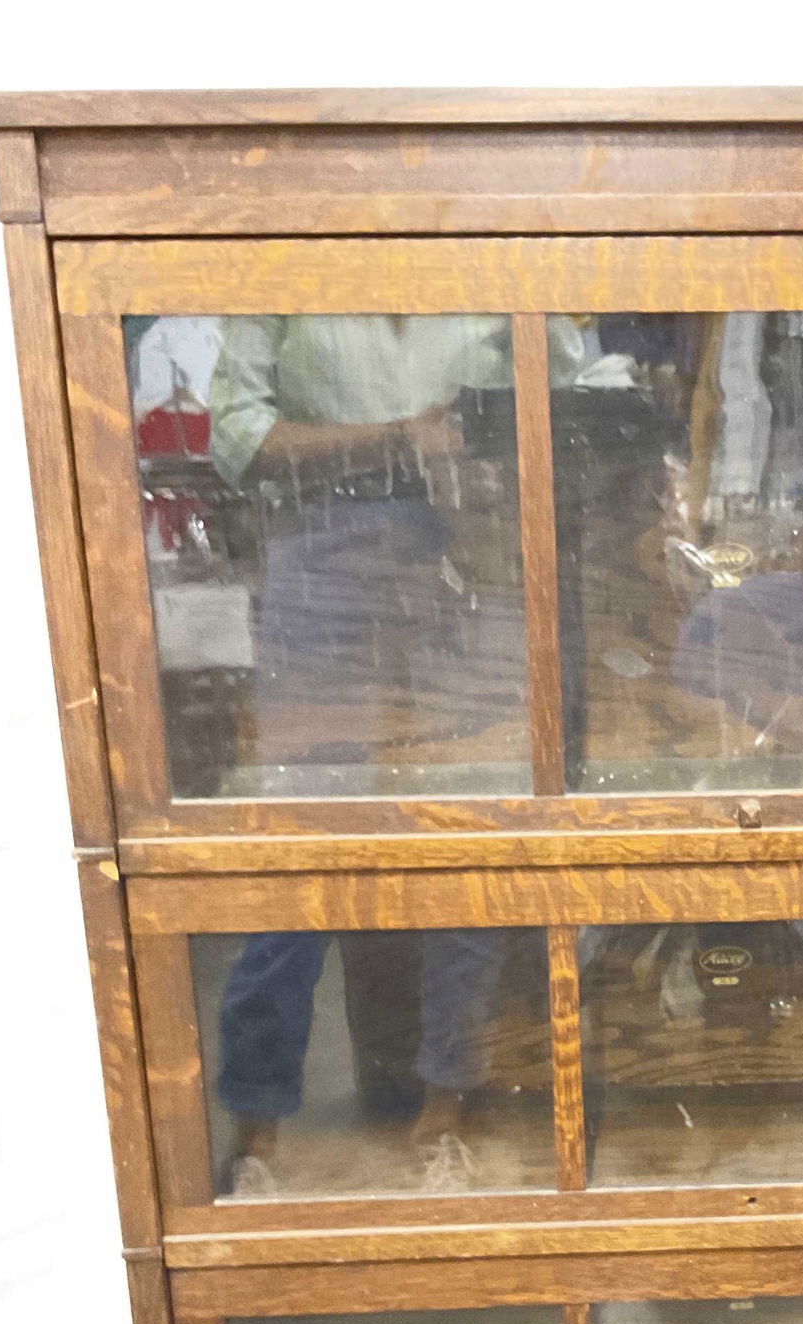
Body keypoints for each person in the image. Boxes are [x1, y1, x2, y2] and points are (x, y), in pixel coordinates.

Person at [207, 314, 586, 1196]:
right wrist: (399, 436)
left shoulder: (476, 266)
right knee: (303, 854)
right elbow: (238, 438)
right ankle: (257, 1136)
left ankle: (441, 1118)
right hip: (321, 566)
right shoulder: (289, 276)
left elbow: (574, 375)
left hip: (468, 553)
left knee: (468, 843)